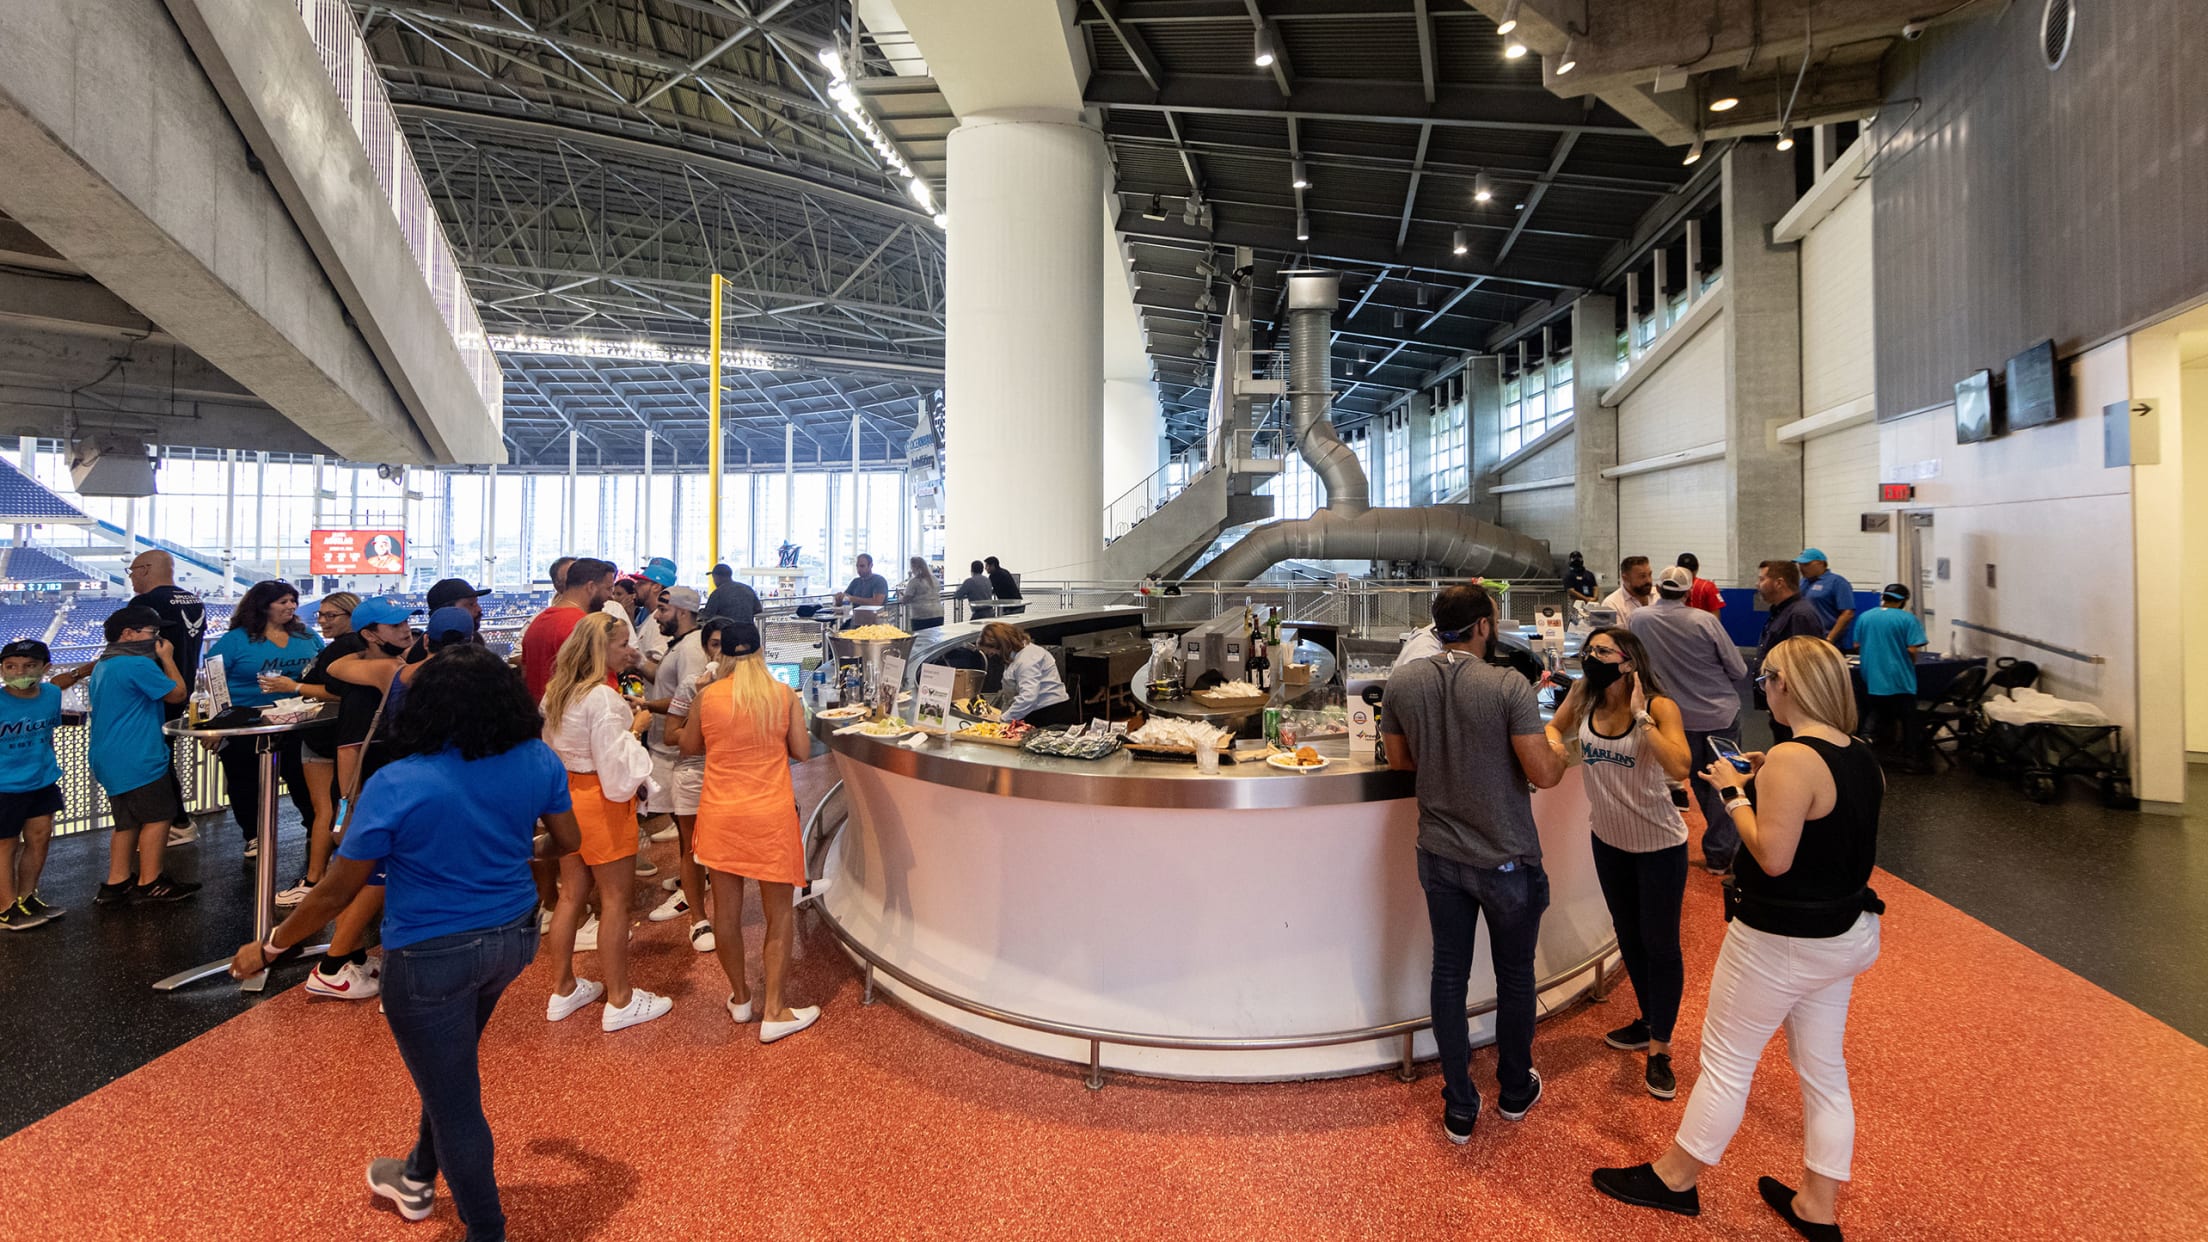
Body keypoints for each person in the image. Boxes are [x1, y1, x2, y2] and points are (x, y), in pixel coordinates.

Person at [232, 646, 582, 1242]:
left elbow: (334, 891)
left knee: (456, 1103)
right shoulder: (537, 760)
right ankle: (417, 1175)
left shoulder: (397, 782)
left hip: (428, 954)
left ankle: (486, 1229)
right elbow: (562, 842)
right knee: (449, 1071)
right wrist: (505, 848)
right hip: (512, 939)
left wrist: (269, 948)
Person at [1592, 637, 1886, 1239]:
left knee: (1727, 1061)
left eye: (1767, 681)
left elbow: (1773, 856)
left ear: (1784, 685)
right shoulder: (1857, 753)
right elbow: (1823, 822)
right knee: (1823, 1068)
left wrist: (1731, 791)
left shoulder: (1792, 759)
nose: (1763, 692)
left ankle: (1675, 1178)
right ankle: (1817, 1203)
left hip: (1781, 938)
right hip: (1845, 932)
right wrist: (1762, 778)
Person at [1382, 585, 1565, 1142]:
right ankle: (1514, 1087)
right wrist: (1555, 740)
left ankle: (1459, 1102)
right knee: (1515, 975)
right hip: (1506, 855)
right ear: (1484, 626)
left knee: (1448, 975)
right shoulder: (1508, 686)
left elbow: (1399, 761)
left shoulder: (1404, 682)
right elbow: (1544, 774)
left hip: (1439, 853)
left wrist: (1448, 760)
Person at [1544, 627, 1693, 1100]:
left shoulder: (1659, 706)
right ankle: (1648, 1020)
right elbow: (1554, 727)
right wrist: (1552, 749)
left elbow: (1680, 767)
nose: (1591, 657)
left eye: (1602, 651)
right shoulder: (1584, 693)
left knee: (1661, 944)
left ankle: (1661, 1049)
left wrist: (1641, 718)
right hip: (1608, 840)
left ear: (1629, 661)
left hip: (1659, 845)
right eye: (1589, 650)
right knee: (1628, 935)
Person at [679, 620, 821, 1043]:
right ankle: (775, 1010)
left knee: (727, 913)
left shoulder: (707, 697)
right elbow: (801, 750)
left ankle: (741, 997)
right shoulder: (781, 695)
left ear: (721, 654)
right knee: (778, 914)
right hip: (770, 815)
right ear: (761, 652)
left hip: (721, 815)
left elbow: (687, 747)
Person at [540, 612, 670, 1032]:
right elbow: (617, 773)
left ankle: (563, 988)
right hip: (601, 803)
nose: (628, 652)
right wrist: (637, 729)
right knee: (615, 901)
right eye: (620, 646)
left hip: (567, 800)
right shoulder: (605, 700)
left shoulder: (556, 693)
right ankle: (620, 999)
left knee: (571, 895)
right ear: (601, 649)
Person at [1629, 566, 1751, 873]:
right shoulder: (1704, 620)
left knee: (1698, 779)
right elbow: (1738, 669)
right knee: (1726, 779)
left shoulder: (1639, 619)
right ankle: (1722, 851)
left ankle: (1722, 843)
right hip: (1719, 714)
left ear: (1659, 586)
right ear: (1688, 592)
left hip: (1674, 717)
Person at [87, 606, 197, 904]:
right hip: (138, 754)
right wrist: (168, 659)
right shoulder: (137, 664)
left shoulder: (106, 663)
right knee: (159, 817)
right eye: (153, 633)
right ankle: (150, 882)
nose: (157, 639)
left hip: (109, 754)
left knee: (127, 822)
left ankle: (117, 882)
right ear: (129, 634)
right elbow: (177, 693)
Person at [208, 580, 325, 855]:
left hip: (297, 718)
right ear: (263, 606)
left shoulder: (307, 636)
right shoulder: (236, 640)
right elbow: (212, 681)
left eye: (293, 601)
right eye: (283, 601)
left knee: (301, 777)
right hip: (246, 720)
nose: (291, 606)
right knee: (244, 780)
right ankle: (254, 834)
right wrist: (215, 726)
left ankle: (314, 827)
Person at [640, 587, 717, 954]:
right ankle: (693, 883)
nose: (657, 615)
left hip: (684, 760)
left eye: (664, 608)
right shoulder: (683, 645)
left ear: (684, 611)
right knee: (687, 833)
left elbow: (683, 704)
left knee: (691, 836)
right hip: (676, 754)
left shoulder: (690, 650)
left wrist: (646, 705)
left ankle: (693, 893)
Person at [285, 591, 362, 907]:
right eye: (321, 615)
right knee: (341, 809)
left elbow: (337, 692)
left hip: (328, 738)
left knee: (328, 810)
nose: (324, 621)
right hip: (338, 738)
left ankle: (316, 878)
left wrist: (292, 687)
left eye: (332, 616)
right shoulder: (351, 647)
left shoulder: (346, 648)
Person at [125, 550, 205, 845]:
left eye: (132, 571)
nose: (132, 577)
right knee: (162, 756)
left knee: (152, 759)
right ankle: (172, 820)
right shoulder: (193, 599)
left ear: (145, 569)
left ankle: (174, 821)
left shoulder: (146, 604)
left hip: (153, 694)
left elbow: (133, 650)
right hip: (180, 689)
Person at [0, 640, 65, 930]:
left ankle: (27, 897)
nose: (18, 672)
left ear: (44, 668)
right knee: (5, 845)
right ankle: (5, 907)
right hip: (5, 786)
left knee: (40, 837)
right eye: (10, 666)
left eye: (29, 666)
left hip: (42, 779)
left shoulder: (51, 694)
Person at [1853, 584, 1930, 773]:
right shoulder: (1908, 619)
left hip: (1870, 677)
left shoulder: (1865, 616)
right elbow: (1912, 649)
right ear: (1903, 600)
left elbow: (1857, 645)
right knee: (1908, 720)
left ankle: (1865, 755)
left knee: (1871, 716)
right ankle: (1910, 760)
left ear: (1884, 597)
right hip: (1899, 679)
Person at [1754, 561, 1827, 744]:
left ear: (1779, 583)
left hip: (1793, 706)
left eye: (1762, 579)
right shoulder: (1782, 612)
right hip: (1782, 703)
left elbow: (1804, 664)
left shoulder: (1799, 615)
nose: (1758, 584)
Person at [522, 558, 615, 701]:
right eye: (608, 588)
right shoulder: (585, 627)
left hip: (544, 716)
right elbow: (604, 693)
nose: (611, 596)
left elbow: (526, 673)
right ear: (591, 587)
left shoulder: (537, 623)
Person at [977, 622, 1071, 726]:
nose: (992, 656)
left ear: (1002, 645)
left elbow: (1028, 697)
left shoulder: (1027, 659)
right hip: (1038, 712)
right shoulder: (1016, 654)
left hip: (1050, 715)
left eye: (992, 652)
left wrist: (1002, 718)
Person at [1796, 549, 1858, 648]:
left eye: (1806, 564)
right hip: (1804, 639)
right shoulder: (1802, 582)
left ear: (1820, 563)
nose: (1801, 568)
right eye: (1800, 564)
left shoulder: (1837, 582)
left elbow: (1847, 613)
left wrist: (1830, 639)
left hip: (1825, 640)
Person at [835, 553, 890, 627]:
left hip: (875, 623)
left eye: (862, 566)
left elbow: (877, 602)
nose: (859, 569)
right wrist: (839, 599)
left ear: (871, 566)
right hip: (857, 622)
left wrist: (852, 598)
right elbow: (844, 599)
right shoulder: (855, 582)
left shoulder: (879, 581)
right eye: (857, 566)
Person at [425, 579, 489, 634]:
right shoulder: (427, 647)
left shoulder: (475, 640)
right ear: (446, 611)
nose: (479, 609)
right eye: (471, 604)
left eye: (476, 603)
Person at [1602, 556, 1655, 620]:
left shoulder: (1660, 596)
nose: (1648, 580)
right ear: (1625, 578)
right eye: (1642, 576)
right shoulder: (1612, 604)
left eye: (1650, 574)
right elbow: (1615, 630)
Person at [899, 556, 943, 630]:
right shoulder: (934, 579)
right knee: (936, 637)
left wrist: (900, 597)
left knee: (921, 638)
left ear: (913, 567)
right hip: (938, 613)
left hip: (921, 615)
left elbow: (906, 599)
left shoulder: (914, 581)